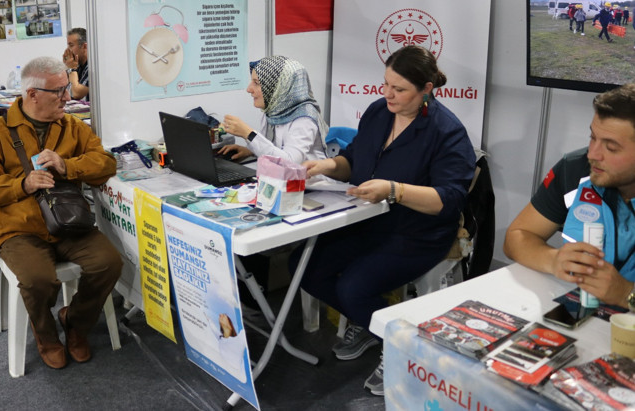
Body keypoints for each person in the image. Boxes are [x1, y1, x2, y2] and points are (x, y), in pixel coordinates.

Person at [292, 45, 475, 396]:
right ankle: (370, 321)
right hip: (368, 221)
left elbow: (450, 200)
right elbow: (352, 160)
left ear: (427, 89)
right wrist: (327, 166)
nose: (387, 94)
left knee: (353, 287)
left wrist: (395, 190)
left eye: (400, 89)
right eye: (385, 83)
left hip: (418, 232)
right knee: (304, 265)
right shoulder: (379, 112)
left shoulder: (446, 131)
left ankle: (405, 349)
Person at [0, 56, 122, 370]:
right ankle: (46, 335)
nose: (68, 97)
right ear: (32, 94)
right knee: (38, 279)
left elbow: (106, 164)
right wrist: (20, 185)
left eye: (67, 88)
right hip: (20, 229)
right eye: (59, 92)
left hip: (69, 222)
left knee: (109, 263)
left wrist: (69, 166)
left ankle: (75, 323)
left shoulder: (72, 126)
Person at [504, 84, 635, 311]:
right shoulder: (575, 169)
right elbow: (517, 237)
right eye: (592, 137)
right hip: (580, 314)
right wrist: (553, 260)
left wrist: (626, 294)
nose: (593, 154)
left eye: (611, 148)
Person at [218, 56, 328, 164]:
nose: (249, 89)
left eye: (256, 83)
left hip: (310, 181)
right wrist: (250, 151)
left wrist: (249, 134)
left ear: (280, 87)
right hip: (278, 179)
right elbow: (272, 147)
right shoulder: (273, 110)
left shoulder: (304, 119)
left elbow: (290, 162)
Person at [62, 27, 89, 100]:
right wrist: (66, 67)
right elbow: (62, 91)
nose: (68, 50)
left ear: (84, 46)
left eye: (71, 45)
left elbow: (76, 94)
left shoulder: (92, 67)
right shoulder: (77, 64)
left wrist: (71, 69)